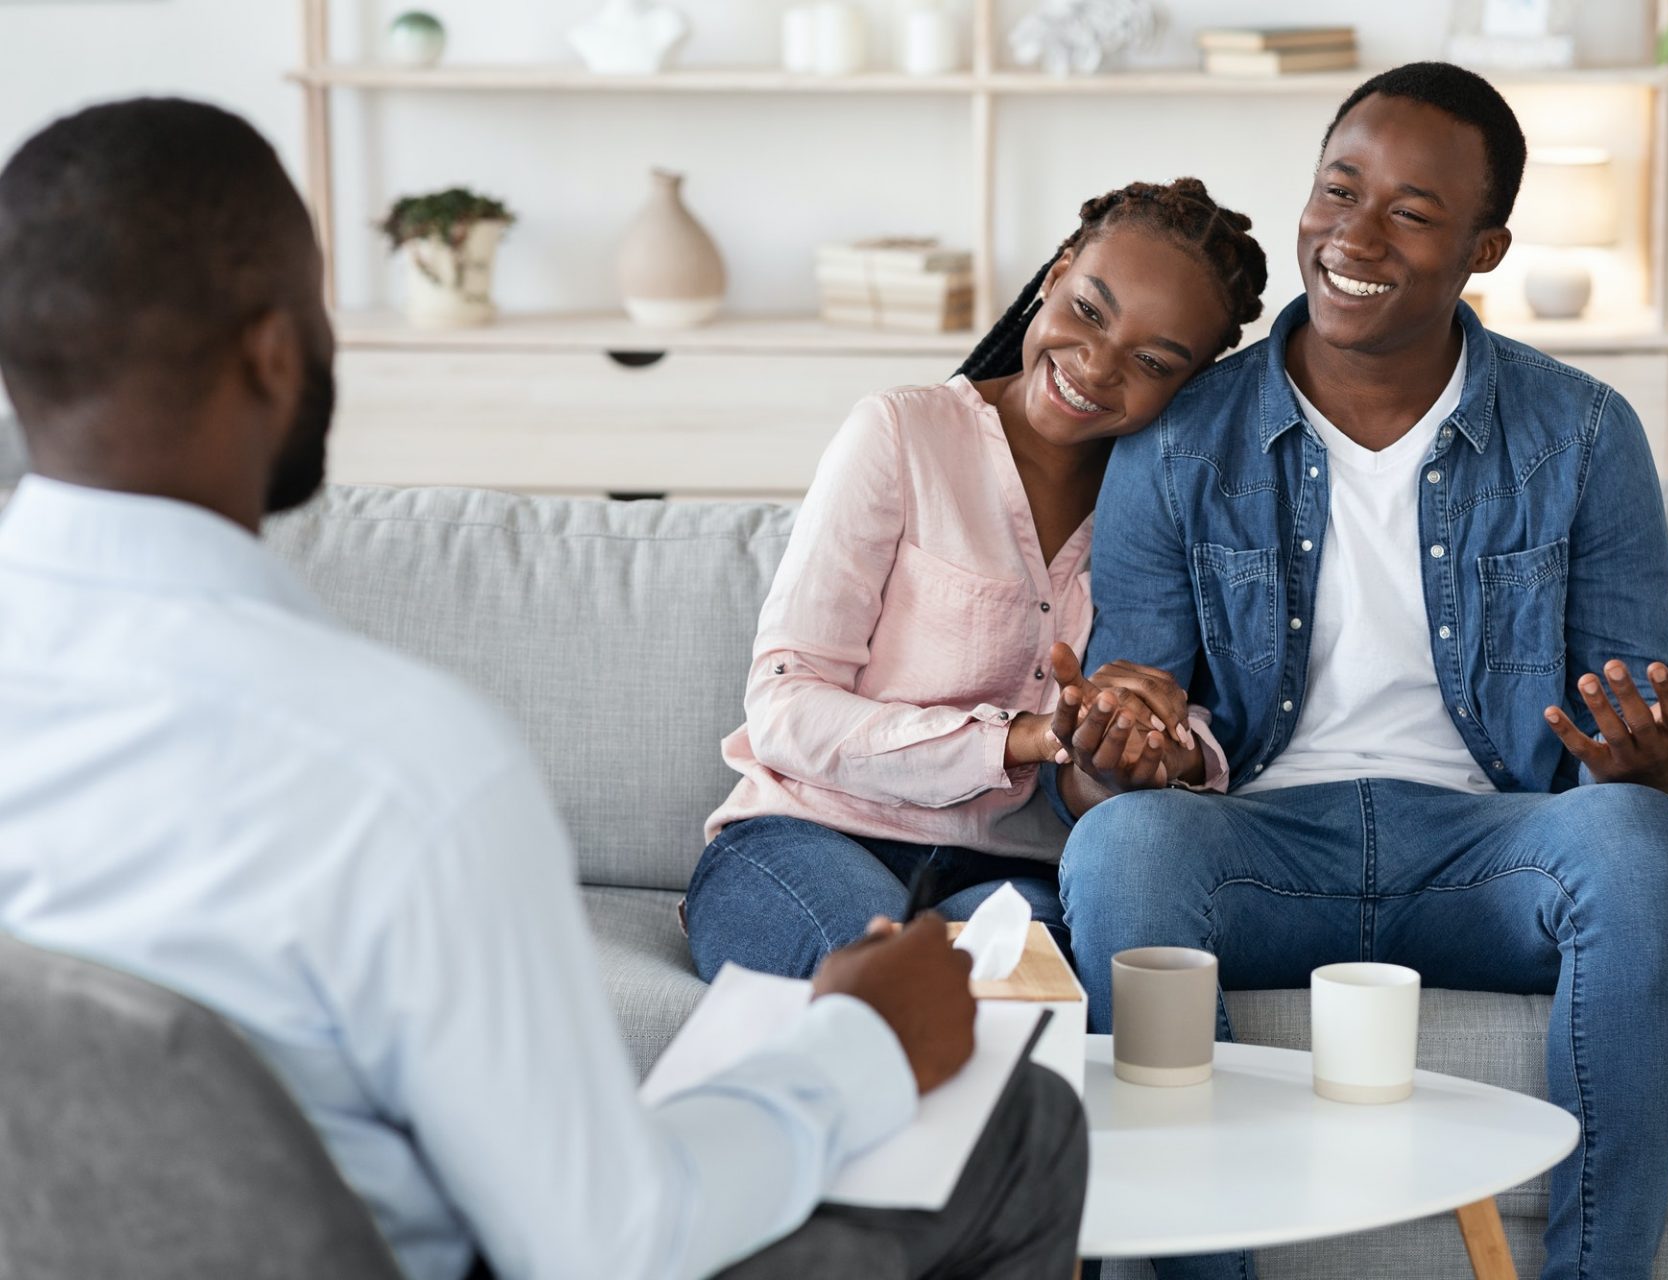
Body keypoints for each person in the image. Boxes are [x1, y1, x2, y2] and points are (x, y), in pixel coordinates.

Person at [0, 97, 1086, 1280]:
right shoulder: (400, 769)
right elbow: (610, 1242)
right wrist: (861, 1042)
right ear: (274, 350)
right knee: (1020, 1127)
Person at [1044, 64, 1668, 1280]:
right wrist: (1113, 758)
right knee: (1122, 849)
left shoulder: (1583, 432)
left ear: (1485, 246)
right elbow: (1130, 741)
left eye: (1413, 213)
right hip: (1263, 848)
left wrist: (1656, 757)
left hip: (1496, 851)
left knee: (1647, 844)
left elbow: (1643, 726)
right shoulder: (1175, 437)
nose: (1355, 236)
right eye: (1340, 189)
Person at [685, 179, 1268, 981]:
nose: (1095, 367)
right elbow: (785, 705)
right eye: (1089, 311)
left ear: (1191, 381)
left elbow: (1183, 719)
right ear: (1057, 272)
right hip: (807, 836)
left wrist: (1156, 746)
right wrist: (1021, 737)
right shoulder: (903, 432)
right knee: (887, 989)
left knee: (1056, 998)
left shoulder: (1176, 511)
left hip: (1014, 875)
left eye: (1152, 360)